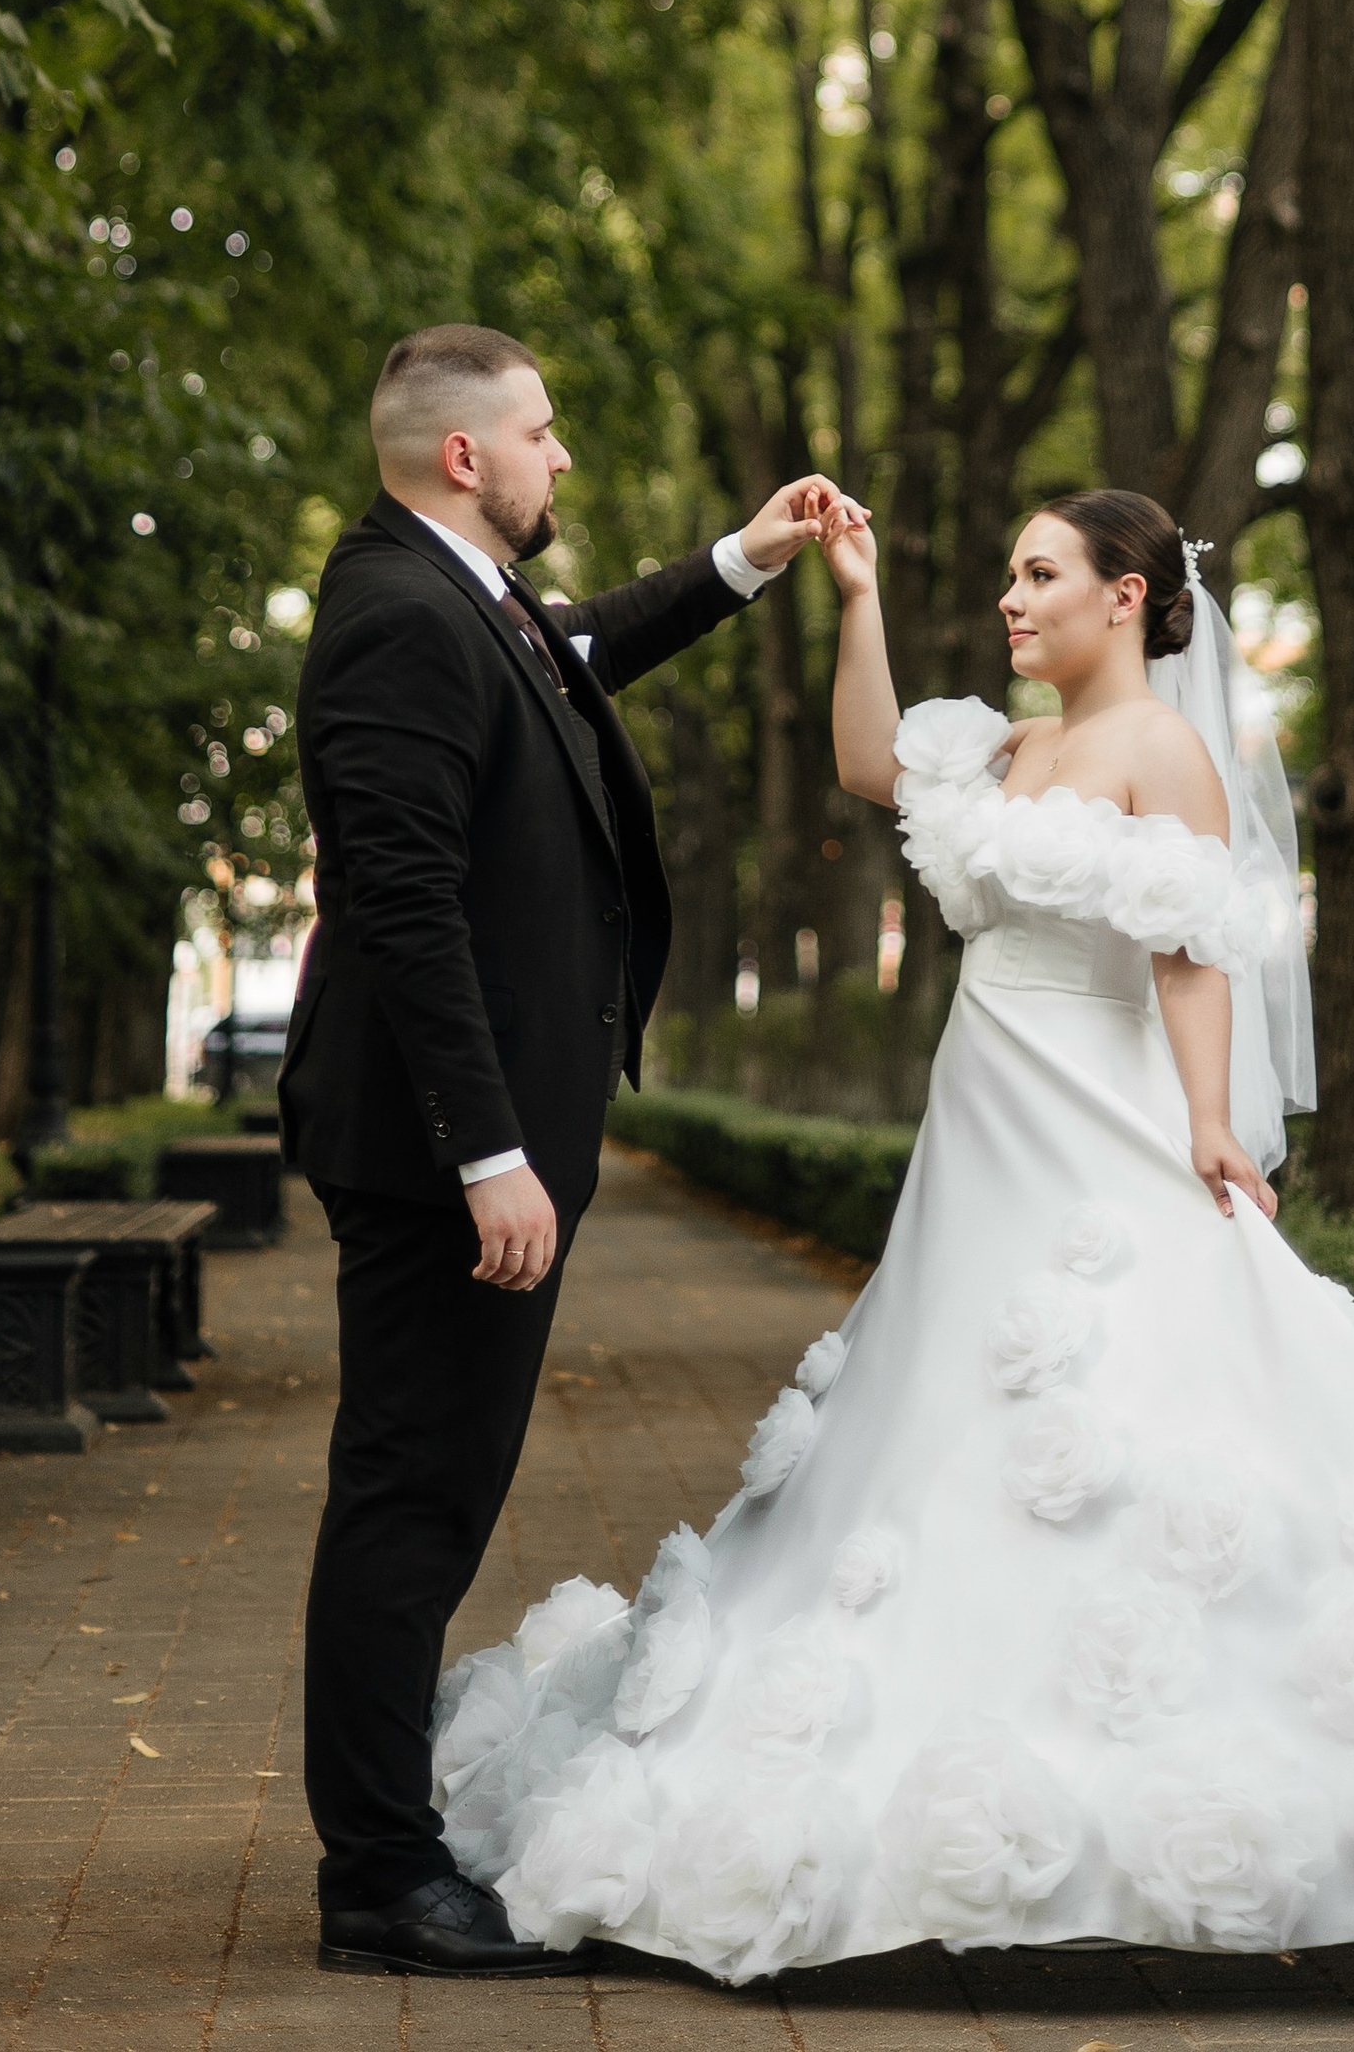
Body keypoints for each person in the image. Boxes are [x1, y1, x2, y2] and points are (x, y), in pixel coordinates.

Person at [430, 487, 1354, 1976]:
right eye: (1008, 573)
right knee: (945, 1410)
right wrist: (855, 591)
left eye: (1041, 572)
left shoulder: (1166, 752)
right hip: (983, 1130)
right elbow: (871, 760)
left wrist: (1208, 1124)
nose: (1013, 596)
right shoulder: (1003, 745)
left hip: (1098, 1120)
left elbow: (1197, 956)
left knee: (1140, 1410)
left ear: (1125, 596)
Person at [280, 319, 848, 1980]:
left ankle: (386, 1844)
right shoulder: (397, 618)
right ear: (468, 456)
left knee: (435, 1491)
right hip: (437, 1154)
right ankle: (376, 1877)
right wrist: (486, 1152)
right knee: (409, 1497)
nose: (561, 457)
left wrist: (747, 556)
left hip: (483, 1144)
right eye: (542, 432)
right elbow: (401, 910)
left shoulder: (468, 599)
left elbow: (581, 649)